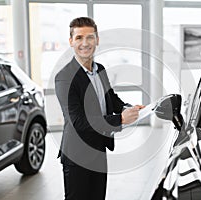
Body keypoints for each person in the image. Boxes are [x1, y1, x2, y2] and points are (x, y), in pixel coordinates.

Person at [55, 17, 144, 200]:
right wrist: (119, 120)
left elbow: (110, 98)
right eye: (79, 38)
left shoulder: (100, 70)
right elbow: (78, 121)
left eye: (90, 37)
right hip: (77, 155)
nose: (85, 43)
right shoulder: (64, 77)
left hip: (98, 149)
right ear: (71, 42)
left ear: (97, 40)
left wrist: (129, 108)